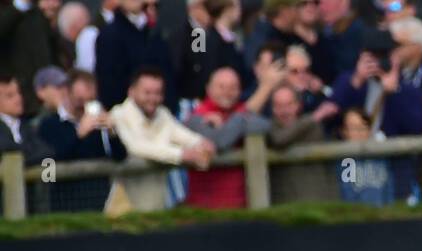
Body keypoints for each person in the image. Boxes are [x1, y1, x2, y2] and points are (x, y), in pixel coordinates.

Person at [105, 65, 213, 213]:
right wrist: (182, 155)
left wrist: (202, 143)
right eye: (147, 93)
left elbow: (182, 134)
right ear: (131, 92)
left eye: (157, 93)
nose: (153, 98)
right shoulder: (118, 115)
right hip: (124, 209)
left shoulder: (163, 114)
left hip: (156, 207)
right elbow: (135, 147)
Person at [183, 64, 272, 207]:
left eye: (233, 87)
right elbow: (220, 142)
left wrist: (227, 125)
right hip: (204, 207)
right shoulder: (196, 118)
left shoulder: (240, 110)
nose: (227, 92)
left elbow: (268, 127)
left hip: (241, 204)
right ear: (208, 89)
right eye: (221, 87)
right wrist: (238, 122)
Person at [37, 67, 124, 207]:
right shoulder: (49, 124)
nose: (85, 106)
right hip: (65, 202)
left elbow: (120, 157)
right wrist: (79, 135)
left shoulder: (97, 124)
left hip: (99, 199)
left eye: (90, 100)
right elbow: (48, 168)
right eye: (79, 100)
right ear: (66, 93)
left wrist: (112, 133)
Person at [95, 0, 175, 111]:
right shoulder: (109, 35)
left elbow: (168, 77)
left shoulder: (155, 34)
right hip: (124, 114)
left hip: (159, 113)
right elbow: (108, 85)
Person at [266, 82, 337, 200]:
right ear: (272, 108)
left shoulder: (313, 127)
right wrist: (315, 116)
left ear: (298, 105)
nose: (284, 111)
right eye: (279, 105)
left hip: (317, 200)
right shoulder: (270, 128)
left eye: (289, 105)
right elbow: (279, 139)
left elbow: (327, 167)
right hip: (285, 205)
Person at [0, 0, 62, 115]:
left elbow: (51, 51)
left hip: (44, 94)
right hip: (17, 96)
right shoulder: (10, 10)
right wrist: (21, 4)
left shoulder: (36, 13)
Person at [337, 104, 393, 203]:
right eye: (353, 128)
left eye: (363, 127)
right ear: (344, 131)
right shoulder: (340, 162)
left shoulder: (380, 158)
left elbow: (388, 192)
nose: (359, 132)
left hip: (383, 215)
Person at [0, 70, 53, 159]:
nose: (18, 98)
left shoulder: (26, 126)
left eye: (19, 93)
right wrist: (29, 151)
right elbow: (4, 147)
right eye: (10, 95)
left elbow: (48, 152)